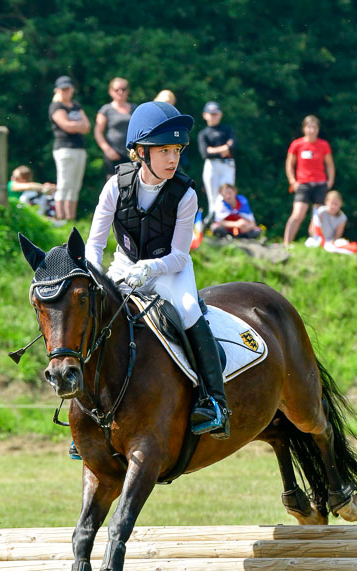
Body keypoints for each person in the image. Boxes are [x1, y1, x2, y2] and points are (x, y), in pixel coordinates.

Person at [85, 100, 230, 439]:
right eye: (163, 150)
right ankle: (88, 414)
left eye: (176, 150)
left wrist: (148, 270)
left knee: (190, 309)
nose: (172, 159)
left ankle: (214, 402)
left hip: (170, 270)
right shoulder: (114, 187)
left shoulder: (185, 194)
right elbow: (94, 244)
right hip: (123, 265)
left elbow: (180, 255)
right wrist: (94, 277)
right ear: (139, 151)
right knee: (89, 318)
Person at [283, 115, 335, 246]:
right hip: (303, 184)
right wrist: (292, 181)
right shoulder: (297, 144)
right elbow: (289, 164)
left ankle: (317, 243)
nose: (311, 130)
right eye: (309, 127)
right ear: (304, 128)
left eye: (314, 127)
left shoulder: (323, 145)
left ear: (318, 129)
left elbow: (329, 164)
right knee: (297, 214)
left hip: (320, 183)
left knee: (320, 216)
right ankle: (286, 244)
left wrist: (330, 180)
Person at [49, 76, 90, 222]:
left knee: (75, 185)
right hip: (64, 148)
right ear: (58, 90)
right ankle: (60, 217)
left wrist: (75, 125)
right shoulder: (56, 106)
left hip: (79, 148)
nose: (66, 92)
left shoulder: (76, 105)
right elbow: (66, 126)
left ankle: (71, 218)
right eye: (63, 89)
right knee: (64, 184)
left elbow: (87, 126)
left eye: (68, 88)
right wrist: (77, 124)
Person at [197, 101, 236, 221]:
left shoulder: (227, 129)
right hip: (212, 166)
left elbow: (233, 145)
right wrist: (224, 148)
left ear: (220, 114)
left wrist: (214, 150)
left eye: (216, 114)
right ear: (205, 115)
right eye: (211, 113)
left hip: (227, 165)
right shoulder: (203, 133)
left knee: (226, 193)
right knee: (213, 196)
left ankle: (225, 219)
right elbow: (205, 152)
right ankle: (214, 221)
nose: (214, 116)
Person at [94, 77, 136, 179]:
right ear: (111, 91)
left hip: (132, 154)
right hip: (114, 154)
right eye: (116, 89)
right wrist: (107, 149)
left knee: (134, 182)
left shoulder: (135, 108)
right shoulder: (106, 110)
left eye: (123, 89)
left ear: (128, 91)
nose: (120, 92)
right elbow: (98, 131)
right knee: (114, 184)